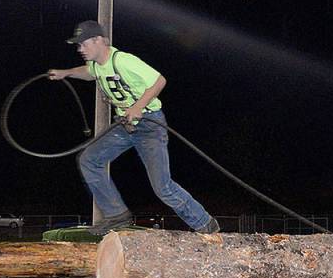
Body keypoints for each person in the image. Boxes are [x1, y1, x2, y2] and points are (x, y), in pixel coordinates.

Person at [48, 20, 219, 236]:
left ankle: (205, 224)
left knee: (162, 187)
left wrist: (138, 106)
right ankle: (116, 214)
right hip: (125, 125)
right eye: (78, 45)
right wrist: (66, 73)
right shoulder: (97, 65)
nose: (80, 49)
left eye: (83, 44)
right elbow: (89, 72)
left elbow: (159, 81)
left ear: (99, 40)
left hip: (149, 125)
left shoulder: (123, 61)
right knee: (89, 160)